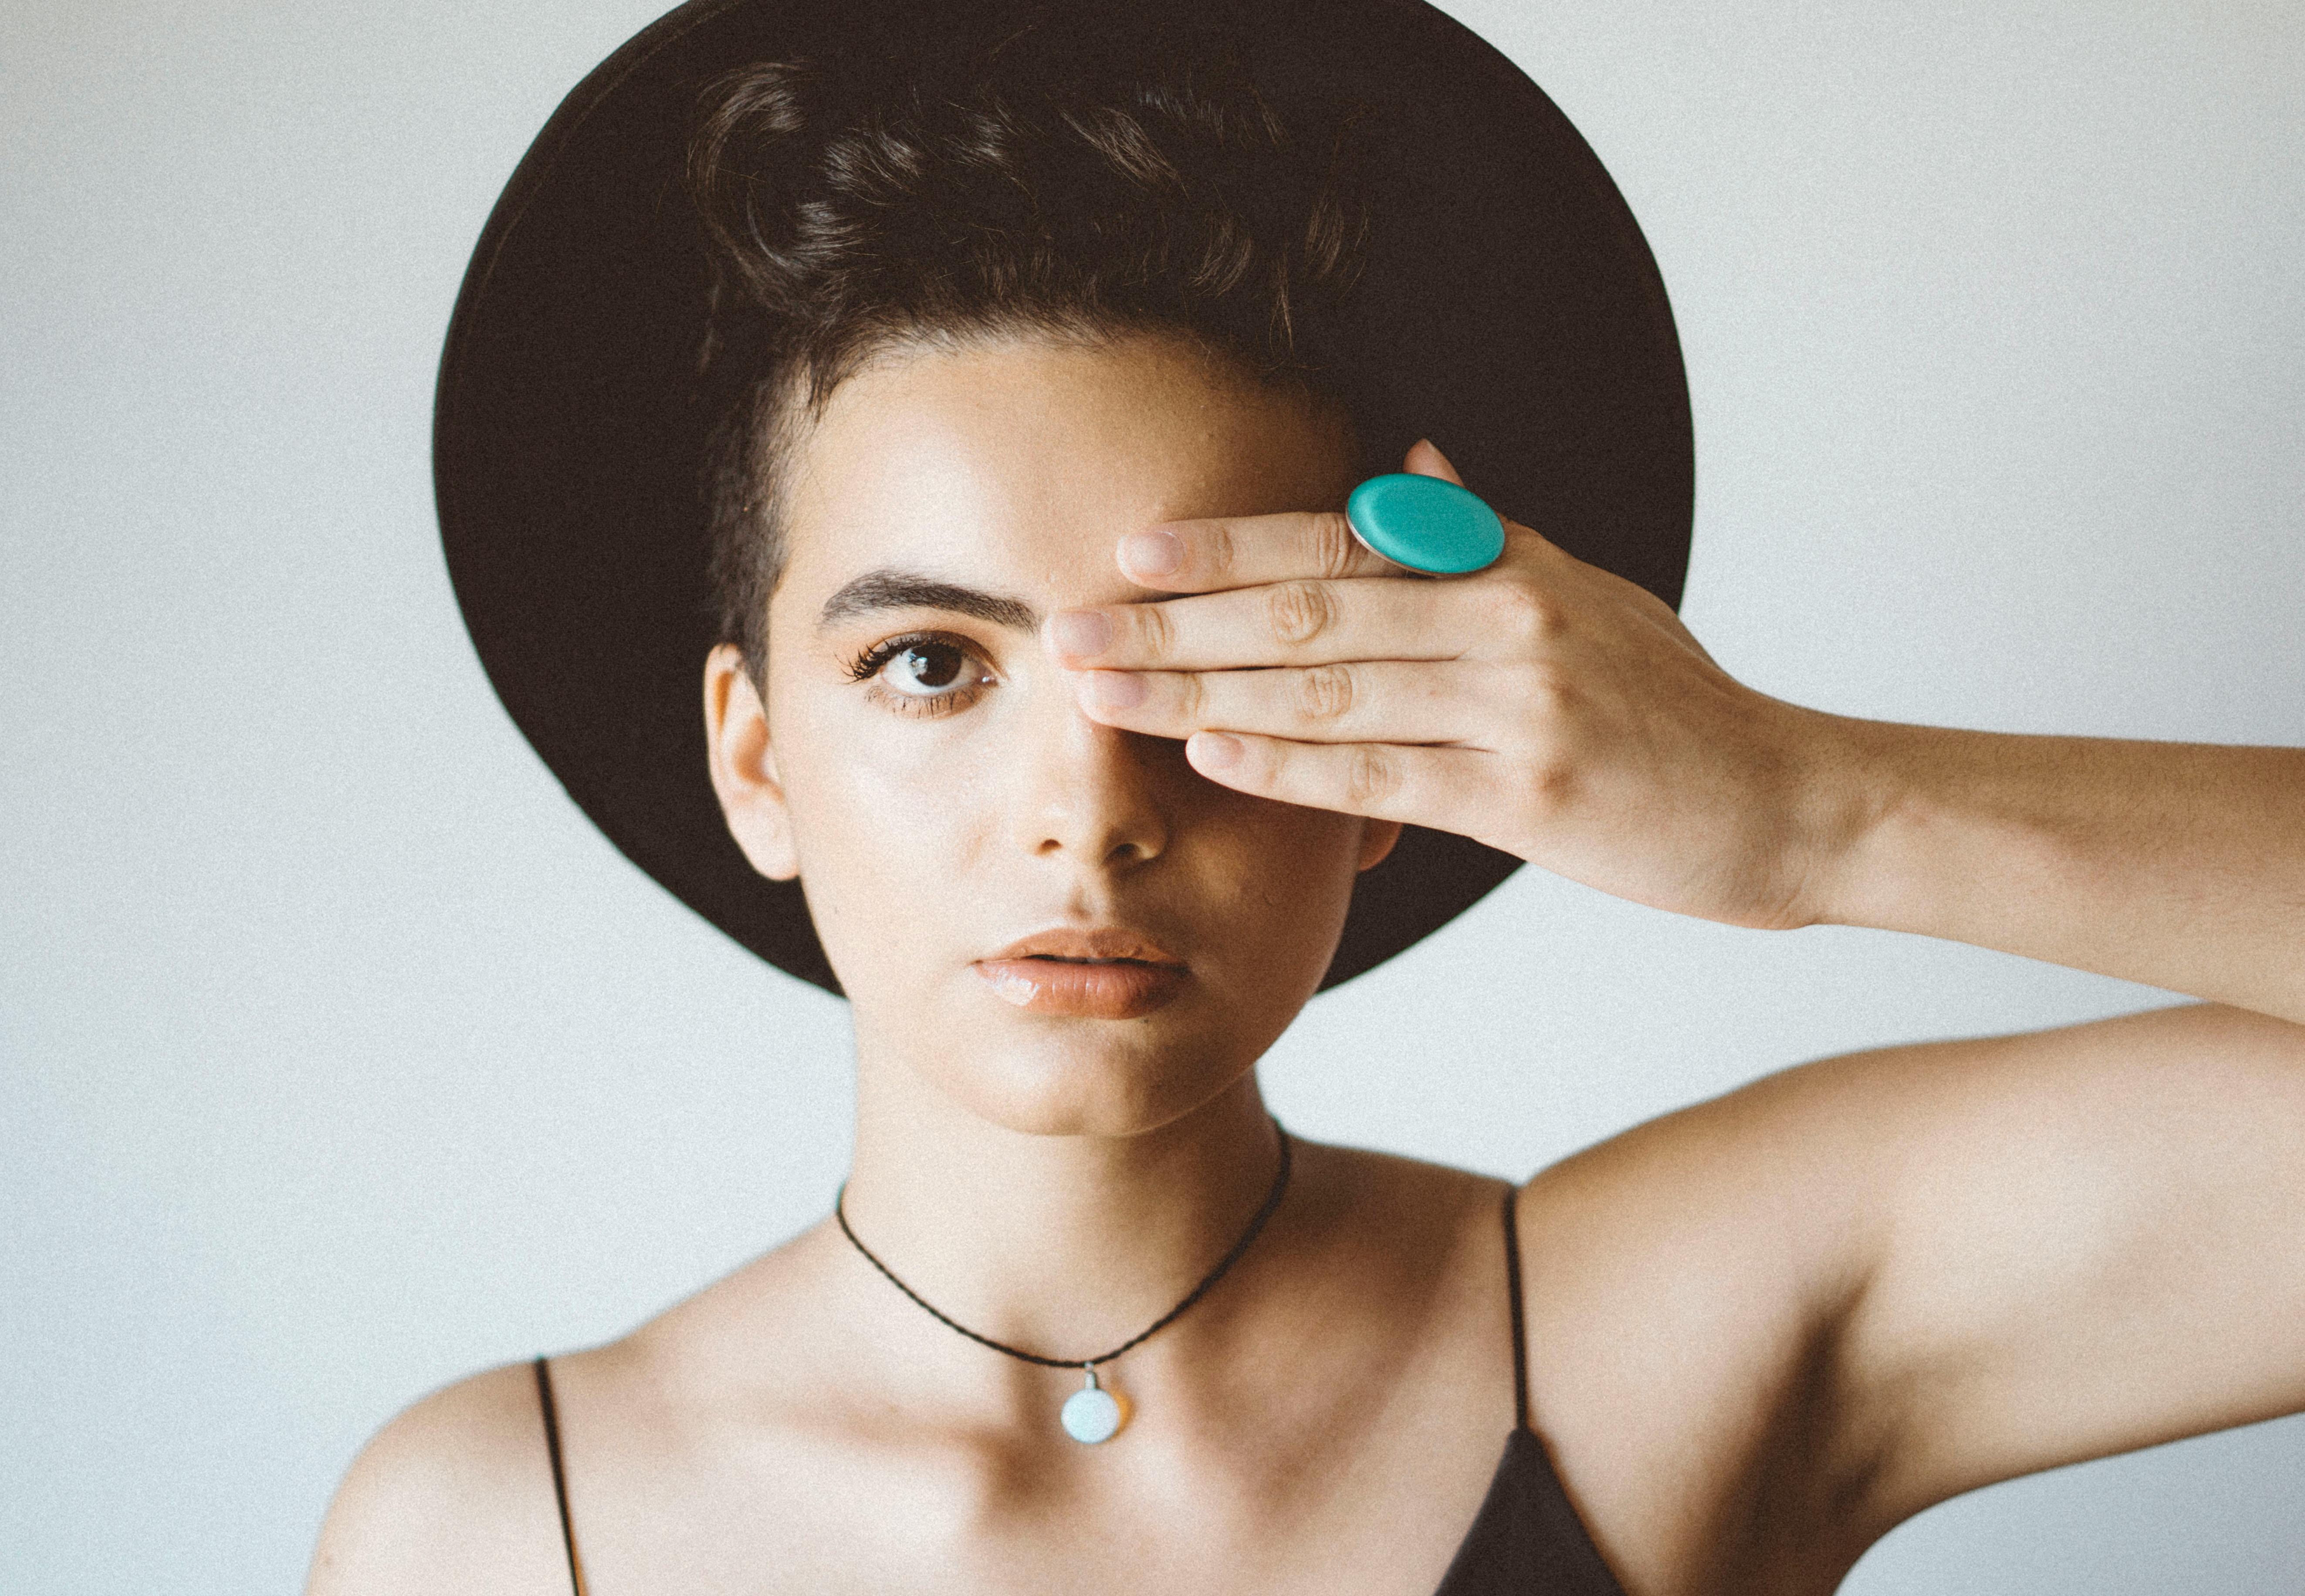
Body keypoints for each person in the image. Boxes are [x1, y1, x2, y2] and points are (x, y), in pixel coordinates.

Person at [308, 1, 2305, 1591]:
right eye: (934, 662)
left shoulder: (1672, 1342)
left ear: (1387, 754)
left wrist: (1807, 803)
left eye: (1220, 669)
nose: (1085, 808)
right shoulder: (492, 1534)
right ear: (757, 752)